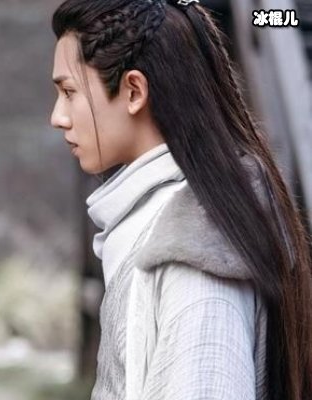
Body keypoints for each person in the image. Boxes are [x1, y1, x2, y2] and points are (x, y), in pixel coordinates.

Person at [49, 0, 312, 399]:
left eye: (69, 92)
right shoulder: (178, 226)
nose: (58, 116)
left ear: (134, 91)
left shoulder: (194, 253)